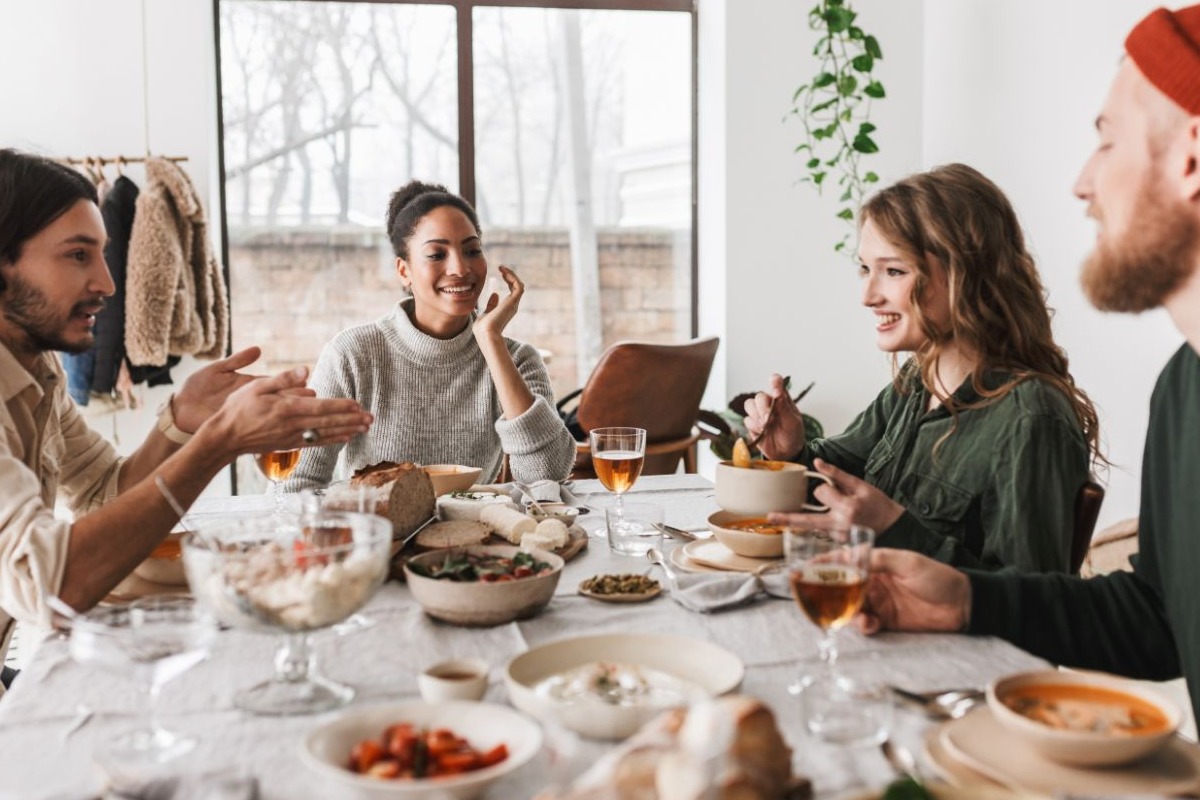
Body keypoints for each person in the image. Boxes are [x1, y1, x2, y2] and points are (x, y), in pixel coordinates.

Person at [856, 4, 1200, 721]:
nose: (1082, 182)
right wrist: (968, 596)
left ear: (1191, 156)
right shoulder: (1184, 386)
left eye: (1107, 142)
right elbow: (1156, 620)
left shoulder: (1031, 413)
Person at [0, 149, 373, 689]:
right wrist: (217, 445)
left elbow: (104, 492)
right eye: (78, 255)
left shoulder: (37, 364)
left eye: (102, 254)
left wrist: (179, 423)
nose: (107, 282)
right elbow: (51, 587)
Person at [744, 163, 1101, 573]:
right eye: (865, 268)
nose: (867, 296)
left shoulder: (1031, 417)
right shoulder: (916, 384)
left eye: (894, 271)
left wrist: (894, 530)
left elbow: (1036, 607)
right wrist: (791, 451)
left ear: (966, 276)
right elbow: (835, 488)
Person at [288, 180, 576, 490]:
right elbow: (296, 482)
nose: (461, 268)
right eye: (437, 254)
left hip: (476, 533)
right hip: (380, 534)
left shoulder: (517, 360)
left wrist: (491, 341)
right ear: (404, 271)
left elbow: (547, 475)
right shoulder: (353, 354)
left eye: (472, 250)